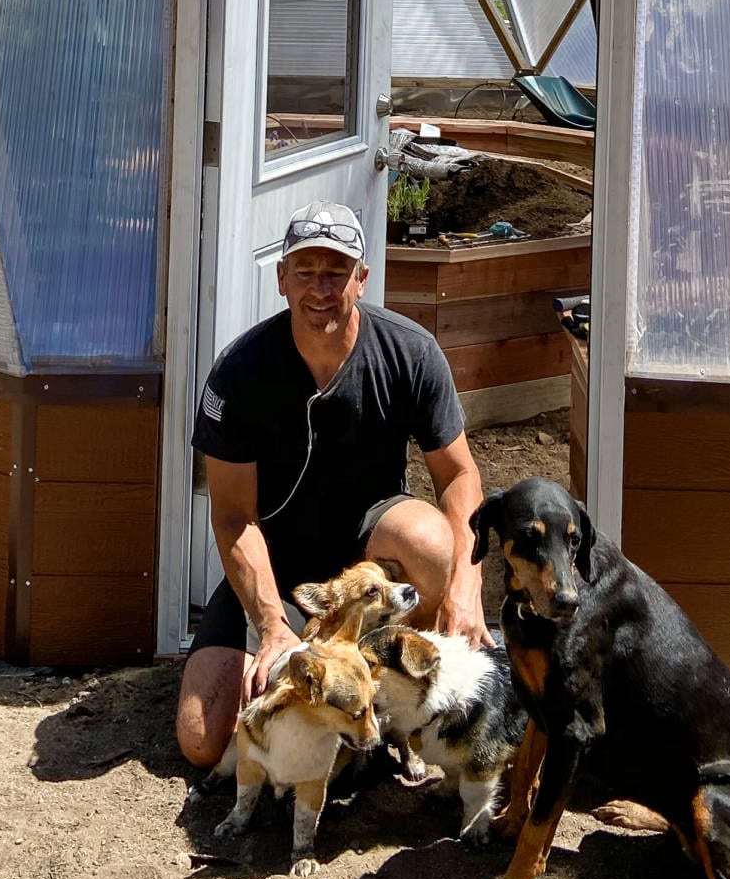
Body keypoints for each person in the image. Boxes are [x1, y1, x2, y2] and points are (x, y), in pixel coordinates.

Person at [175, 200, 492, 769]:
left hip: (369, 558)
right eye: (305, 271)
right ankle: (295, 663)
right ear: (281, 278)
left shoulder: (411, 352)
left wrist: (468, 585)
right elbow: (231, 517)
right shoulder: (239, 372)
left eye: (336, 272)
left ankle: (392, 703)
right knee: (202, 743)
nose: (320, 288)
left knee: (432, 544)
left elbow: (460, 474)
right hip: (278, 565)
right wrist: (271, 625)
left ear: (362, 279)